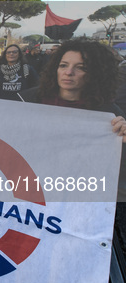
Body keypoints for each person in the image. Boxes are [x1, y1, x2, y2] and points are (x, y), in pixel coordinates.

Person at [19, 40, 126, 199]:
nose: (68, 72)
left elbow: (114, 170)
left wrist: (122, 140)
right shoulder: (25, 100)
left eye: (80, 68)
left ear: (95, 73)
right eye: (63, 65)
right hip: (29, 189)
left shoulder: (109, 114)